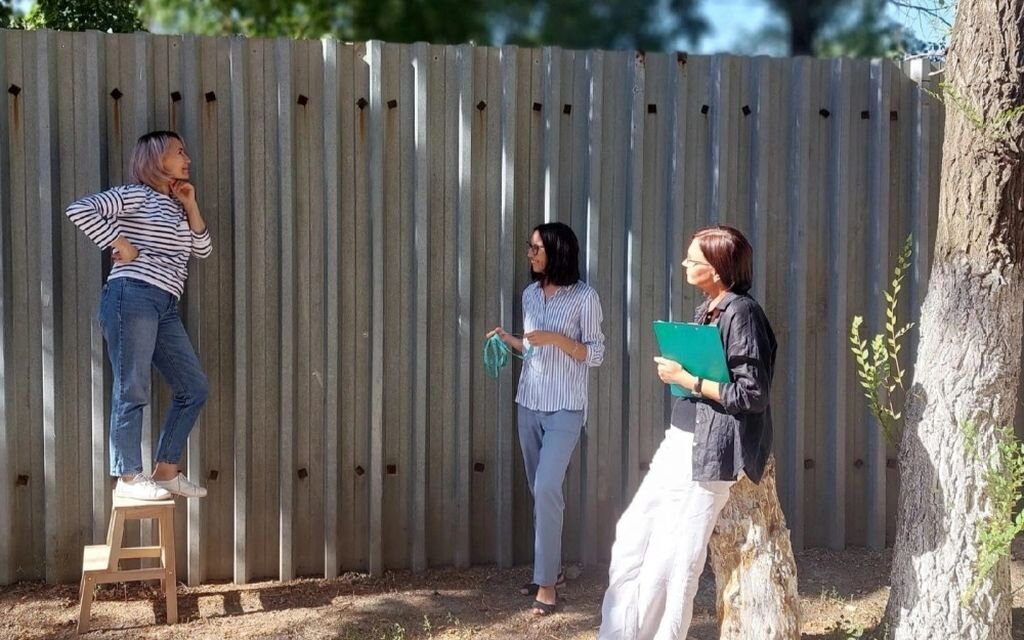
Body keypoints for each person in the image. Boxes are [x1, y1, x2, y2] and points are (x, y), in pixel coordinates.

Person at [598, 224, 776, 639]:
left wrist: (689, 379)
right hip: (681, 439)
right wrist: (683, 376)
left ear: (716, 268)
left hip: (711, 451)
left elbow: (753, 394)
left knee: (676, 561)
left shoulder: (742, 314)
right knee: (632, 537)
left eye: (693, 259)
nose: (684, 264)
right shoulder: (708, 307)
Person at [65, 130, 212, 501]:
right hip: (131, 295)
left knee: (193, 387)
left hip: (165, 305)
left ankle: (165, 471)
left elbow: (203, 249)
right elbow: (79, 209)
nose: (187, 158)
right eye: (180, 151)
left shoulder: (176, 206)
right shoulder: (136, 194)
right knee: (132, 386)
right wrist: (121, 243)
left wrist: (191, 204)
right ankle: (128, 477)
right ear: (157, 157)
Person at [489, 221, 605, 615]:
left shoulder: (585, 299)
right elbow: (533, 348)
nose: (531, 253)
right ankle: (548, 572)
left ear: (558, 252)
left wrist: (557, 339)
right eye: (530, 247)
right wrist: (511, 341)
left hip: (565, 408)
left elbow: (597, 353)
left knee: (548, 487)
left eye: (537, 248)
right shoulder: (529, 295)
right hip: (529, 402)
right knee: (541, 494)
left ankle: (547, 590)